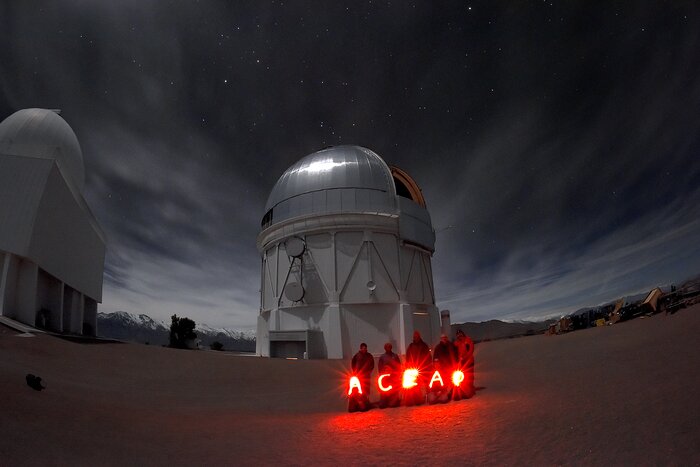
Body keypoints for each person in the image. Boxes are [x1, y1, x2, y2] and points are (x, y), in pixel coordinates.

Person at [404, 331, 431, 405]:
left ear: (419, 337)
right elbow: (408, 357)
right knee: (416, 385)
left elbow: (428, 356)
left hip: (423, 368)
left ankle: (427, 397)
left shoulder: (424, 345)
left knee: (425, 383)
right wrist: (408, 365)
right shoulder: (410, 346)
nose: (415, 338)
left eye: (416, 336)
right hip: (413, 369)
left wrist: (428, 365)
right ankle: (417, 398)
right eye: (414, 337)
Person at [428, 334, 457, 404]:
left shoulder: (451, 346)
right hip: (442, 368)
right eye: (442, 338)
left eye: (445, 338)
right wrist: (437, 364)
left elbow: (455, 355)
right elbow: (435, 357)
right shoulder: (438, 348)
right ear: (441, 339)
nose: (444, 339)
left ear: (447, 338)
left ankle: (449, 394)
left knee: (450, 383)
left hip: (450, 368)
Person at [377, 342, 401, 408]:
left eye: (389, 347)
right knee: (382, 405)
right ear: (385, 348)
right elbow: (380, 368)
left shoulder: (395, 356)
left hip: (393, 379)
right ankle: (385, 400)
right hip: (385, 380)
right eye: (387, 347)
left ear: (391, 348)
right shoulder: (382, 357)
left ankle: (394, 400)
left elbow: (399, 366)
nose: (388, 348)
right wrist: (383, 374)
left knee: (393, 405)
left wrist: (395, 374)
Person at [453, 329, 475, 399]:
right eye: (458, 336)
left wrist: (465, 357)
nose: (460, 337)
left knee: (470, 376)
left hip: (469, 361)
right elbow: (454, 351)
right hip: (462, 362)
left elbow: (470, 350)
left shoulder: (468, 340)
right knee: (464, 377)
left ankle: (471, 389)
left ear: (463, 334)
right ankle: (465, 389)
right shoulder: (456, 343)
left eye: (460, 335)